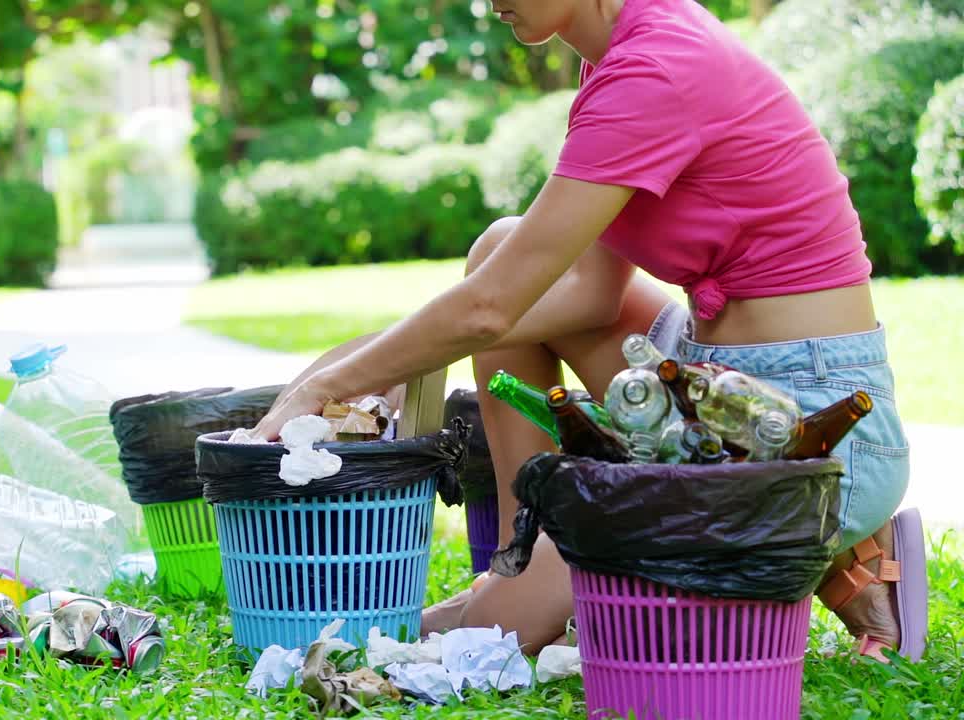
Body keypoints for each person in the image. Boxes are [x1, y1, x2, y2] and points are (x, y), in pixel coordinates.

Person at [252, 0, 926, 663]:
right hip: (703, 380)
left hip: (813, 419)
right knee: (503, 247)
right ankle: (522, 548)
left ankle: (835, 541)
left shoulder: (654, 69)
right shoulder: (617, 56)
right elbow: (588, 297)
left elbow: (488, 310)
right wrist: (415, 357)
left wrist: (330, 384)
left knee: (492, 631)